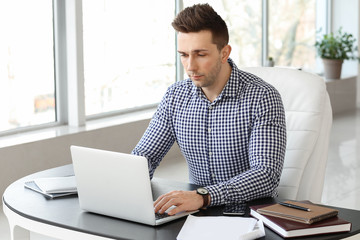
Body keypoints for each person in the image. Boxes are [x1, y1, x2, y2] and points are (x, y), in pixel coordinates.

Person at [132, 3, 286, 216]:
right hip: (195, 213)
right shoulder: (175, 96)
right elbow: (144, 156)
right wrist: (120, 186)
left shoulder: (262, 98)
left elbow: (265, 176)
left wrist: (204, 196)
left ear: (225, 53)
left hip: (251, 214)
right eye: (184, 55)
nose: (190, 66)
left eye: (200, 54)